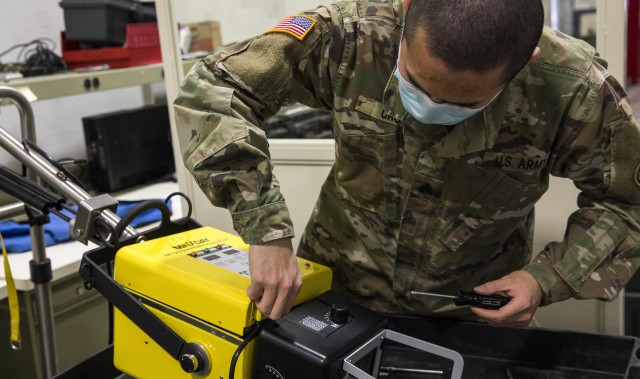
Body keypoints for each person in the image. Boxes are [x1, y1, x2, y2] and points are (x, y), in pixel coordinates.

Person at [173, 0, 640, 327]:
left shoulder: (570, 87)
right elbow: (211, 91)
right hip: (336, 292)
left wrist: (545, 280)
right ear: (407, 7)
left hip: (470, 313)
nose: (431, 107)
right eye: (415, 82)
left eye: (465, 102)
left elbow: (626, 205)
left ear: (527, 62)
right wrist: (265, 229)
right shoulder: (351, 35)